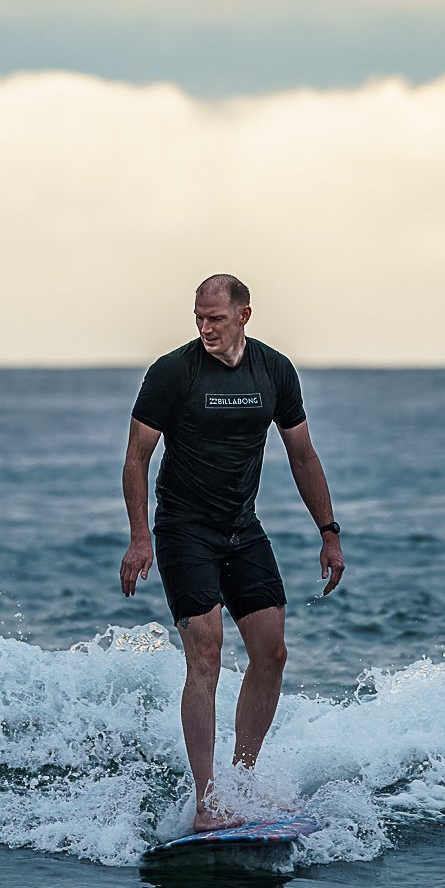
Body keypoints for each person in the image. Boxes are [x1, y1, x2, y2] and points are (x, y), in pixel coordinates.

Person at [120, 274, 345, 831]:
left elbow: (303, 455)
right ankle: (206, 803)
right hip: (182, 529)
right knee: (207, 651)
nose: (205, 328)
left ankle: (241, 784)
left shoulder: (273, 370)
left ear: (244, 315)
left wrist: (329, 531)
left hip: (242, 529)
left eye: (215, 318)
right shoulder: (174, 372)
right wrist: (140, 537)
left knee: (271, 653)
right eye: (198, 317)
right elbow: (136, 457)